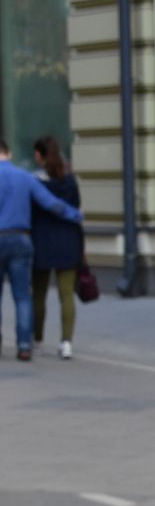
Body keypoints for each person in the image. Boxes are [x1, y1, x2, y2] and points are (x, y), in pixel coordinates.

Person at [0, 137, 84, 362]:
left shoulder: (29, 177)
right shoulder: (24, 178)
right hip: (21, 240)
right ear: (7, 153)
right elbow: (51, 203)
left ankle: (21, 341)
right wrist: (76, 215)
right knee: (23, 296)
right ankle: (25, 345)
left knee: (25, 294)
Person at [29, 136, 84, 360]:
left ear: (40, 156)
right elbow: (76, 208)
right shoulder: (70, 181)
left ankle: (38, 341)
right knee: (66, 295)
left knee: (38, 295)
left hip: (41, 241)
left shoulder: (36, 183)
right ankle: (66, 343)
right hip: (69, 241)